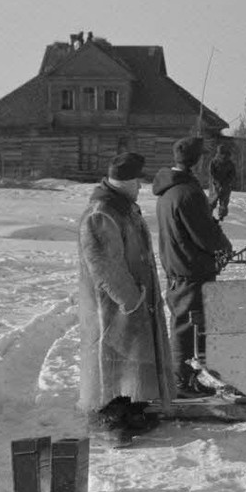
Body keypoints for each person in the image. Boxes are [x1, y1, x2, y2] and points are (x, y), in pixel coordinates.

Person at [77, 152, 175, 415]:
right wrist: (131, 300)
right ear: (126, 183)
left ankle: (132, 411)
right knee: (113, 362)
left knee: (128, 363)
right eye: (136, 182)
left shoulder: (121, 207)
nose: (140, 187)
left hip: (131, 304)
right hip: (113, 308)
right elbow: (106, 266)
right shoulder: (102, 213)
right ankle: (113, 421)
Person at [153, 136, 233, 396]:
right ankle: (184, 383)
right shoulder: (187, 193)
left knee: (186, 324)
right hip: (191, 270)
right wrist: (223, 247)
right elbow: (206, 236)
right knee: (190, 327)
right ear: (198, 162)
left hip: (178, 267)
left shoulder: (169, 190)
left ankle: (187, 378)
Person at [207, 142, 237, 221]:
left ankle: (209, 215)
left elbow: (211, 172)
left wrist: (217, 181)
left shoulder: (214, 161)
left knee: (212, 200)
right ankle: (221, 216)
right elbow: (232, 174)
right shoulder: (230, 162)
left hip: (216, 184)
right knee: (224, 201)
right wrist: (226, 182)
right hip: (225, 185)